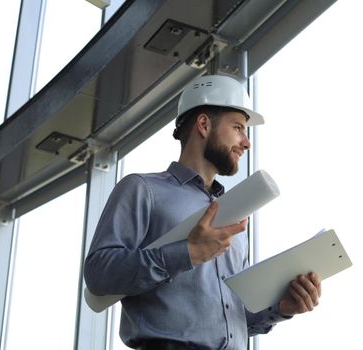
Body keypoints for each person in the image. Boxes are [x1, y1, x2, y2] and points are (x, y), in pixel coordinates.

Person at [84, 75, 322, 350]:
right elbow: (98, 274)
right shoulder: (142, 190)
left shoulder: (233, 212)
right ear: (204, 124)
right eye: (238, 128)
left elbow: (232, 315)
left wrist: (280, 308)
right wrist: (185, 252)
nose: (247, 142)